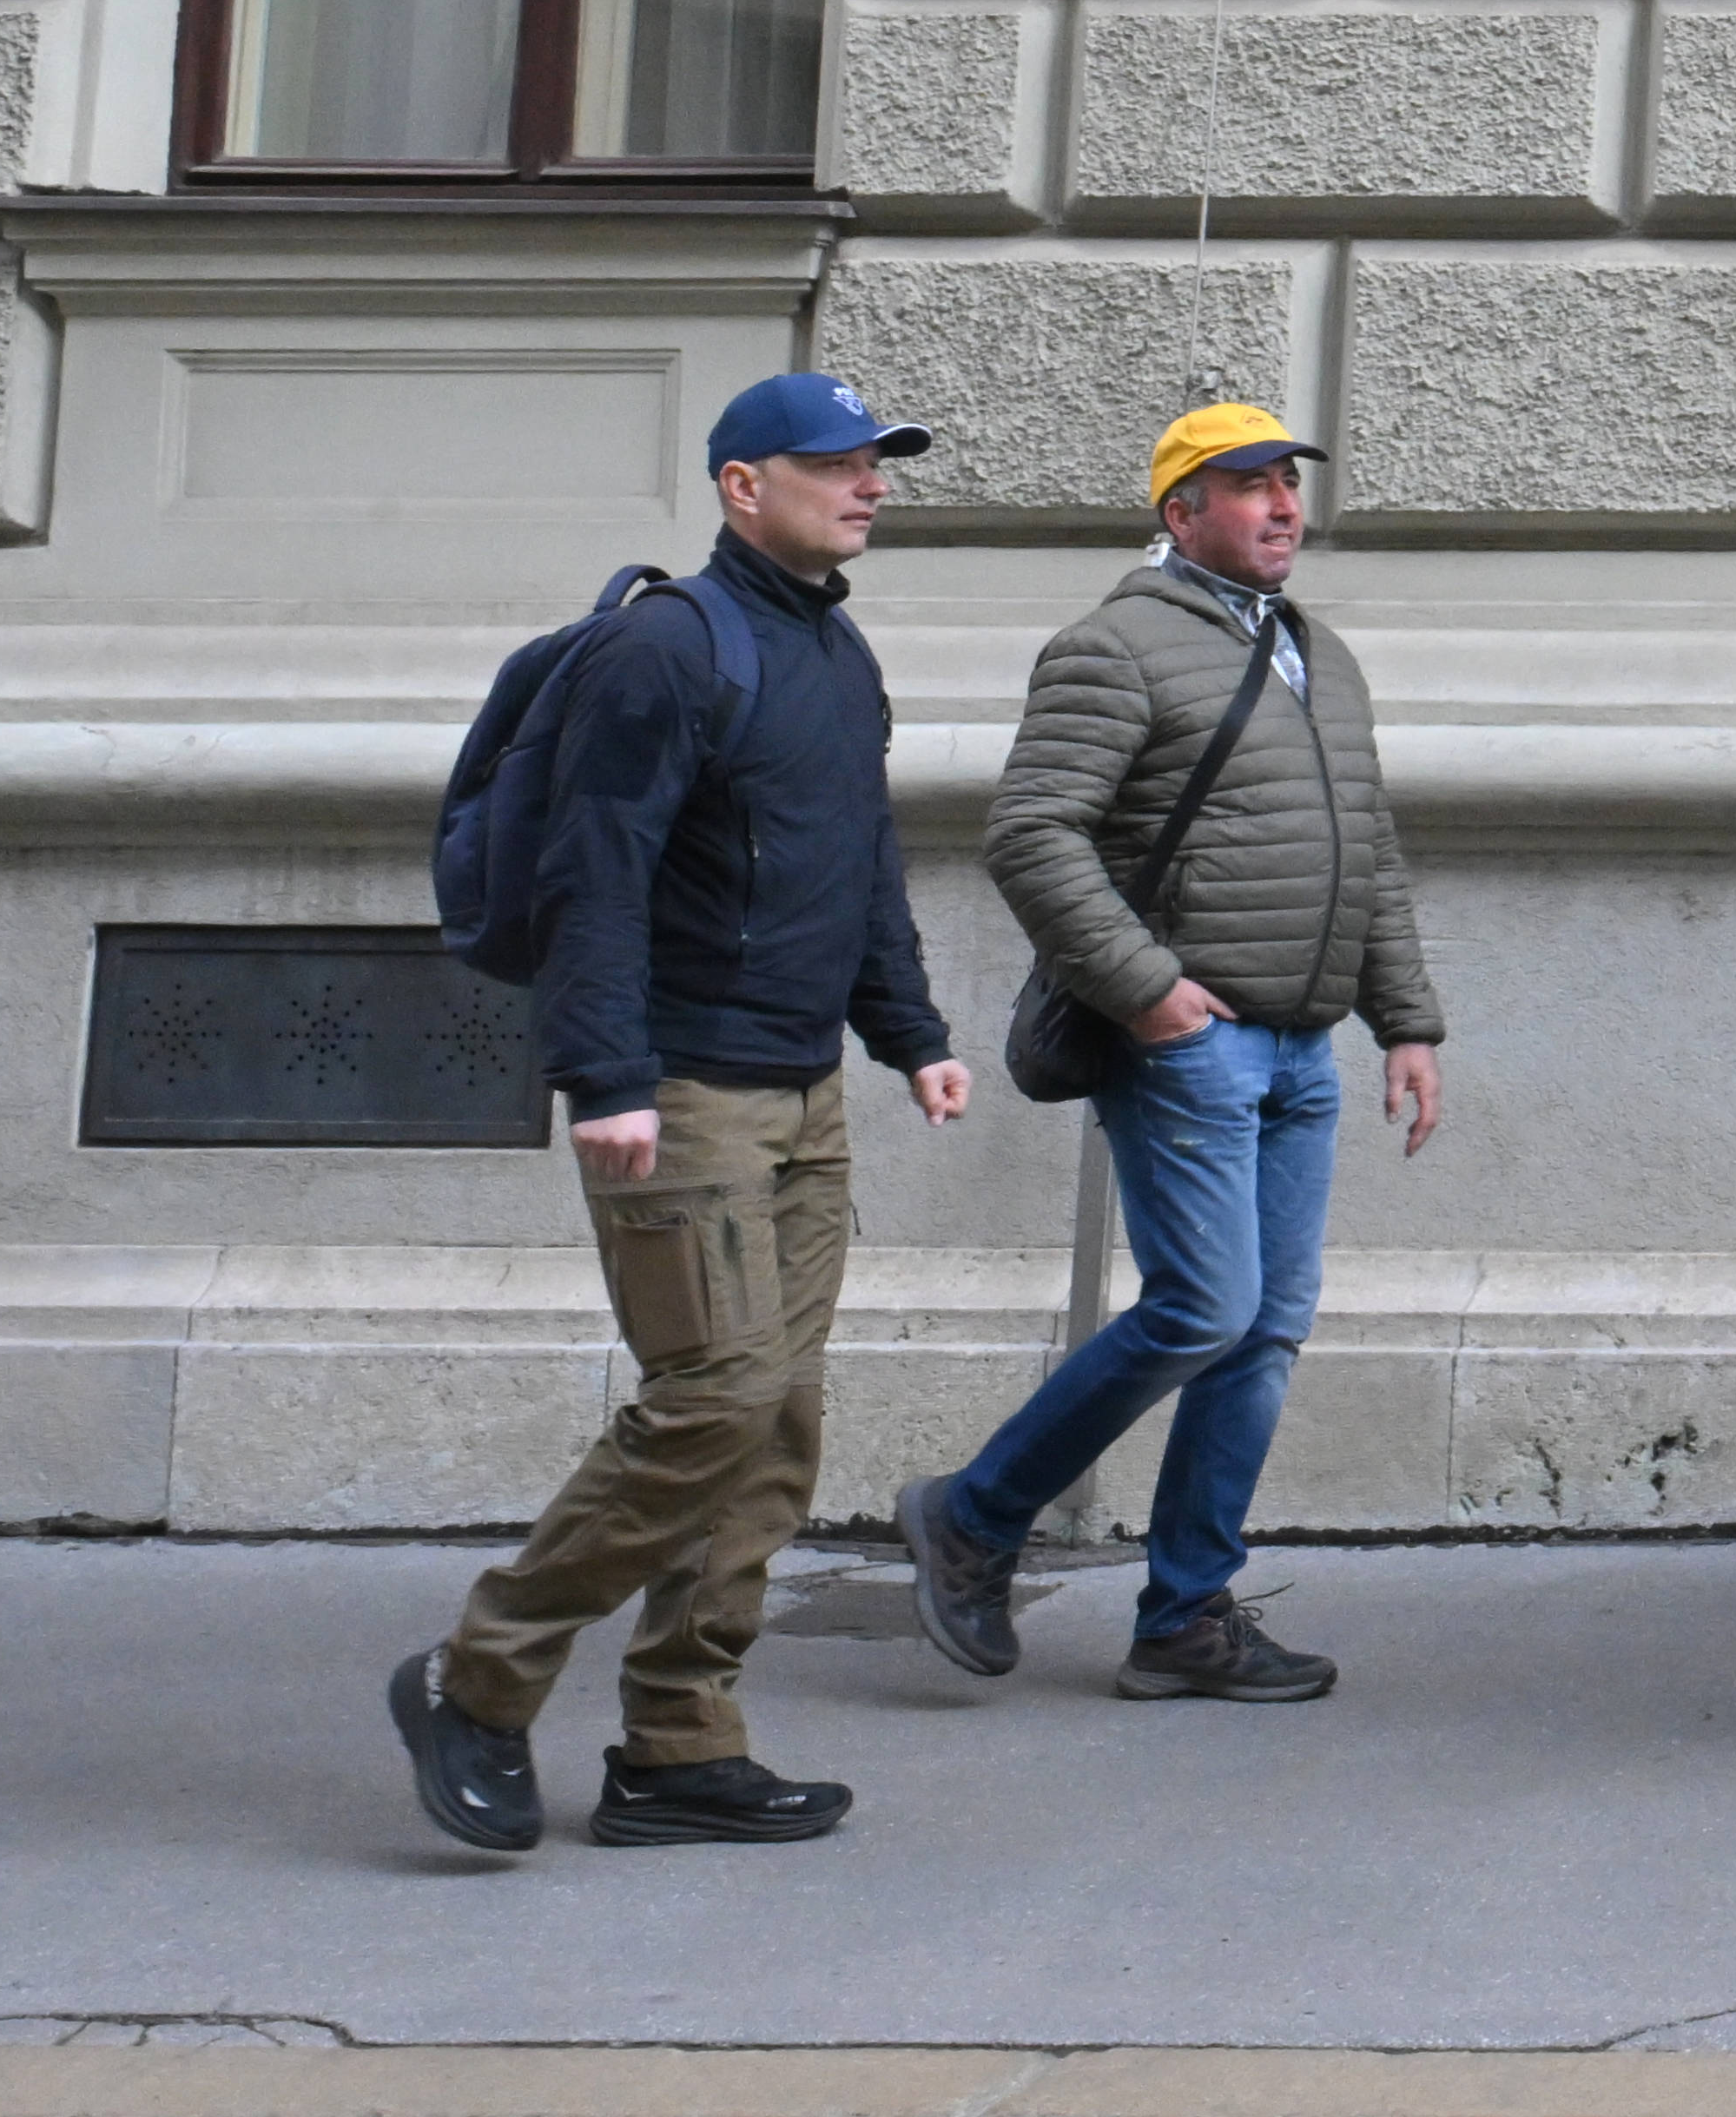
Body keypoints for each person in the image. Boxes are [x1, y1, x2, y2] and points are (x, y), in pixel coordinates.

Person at [386, 372, 974, 1858]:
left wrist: (911, 1035)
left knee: (775, 1422)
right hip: (687, 1085)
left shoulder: (835, 654)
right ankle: (478, 1675)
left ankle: (678, 1742)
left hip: (802, 1087)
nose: (870, 484)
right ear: (739, 485)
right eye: (835, 464)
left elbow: (864, 863)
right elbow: (596, 869)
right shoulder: (666, 650)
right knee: (709, 1395)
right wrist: (610, 1077)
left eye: (876, 464)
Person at [897, 400, 1445, 1710]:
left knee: (1263, 1333)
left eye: (1285, 485)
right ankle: (976, 1514)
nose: (1279, 507)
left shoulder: (1319, 652)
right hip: (1192, 1044)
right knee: (1205, 1305)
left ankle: (1184, 1614)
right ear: (1179, 511)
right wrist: (1146, 993)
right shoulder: (1114, 647)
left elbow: (1365, 848)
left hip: (1303, 1044)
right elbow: (1033, 834)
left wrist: (1407, 1017)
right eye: (1244, 485)